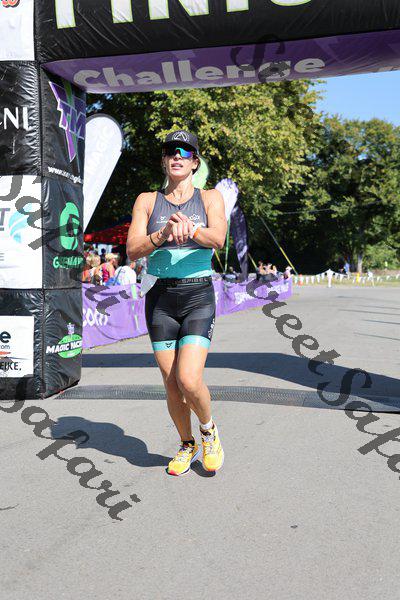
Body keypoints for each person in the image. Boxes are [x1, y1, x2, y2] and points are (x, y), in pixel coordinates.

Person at [126, 129, 227, 476]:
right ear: (164, 161)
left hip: (197, 295)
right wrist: (163, 234)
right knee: (171, 384)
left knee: (189, 379)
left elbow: (218, 238)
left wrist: (192, 230)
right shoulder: (147, 200)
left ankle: (209, 432)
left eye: (184, 152)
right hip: (160, 299)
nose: (177, 157)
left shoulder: (210, 197)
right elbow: (132, 249)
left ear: (195, 162)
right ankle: (186, 444)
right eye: (171, 152)